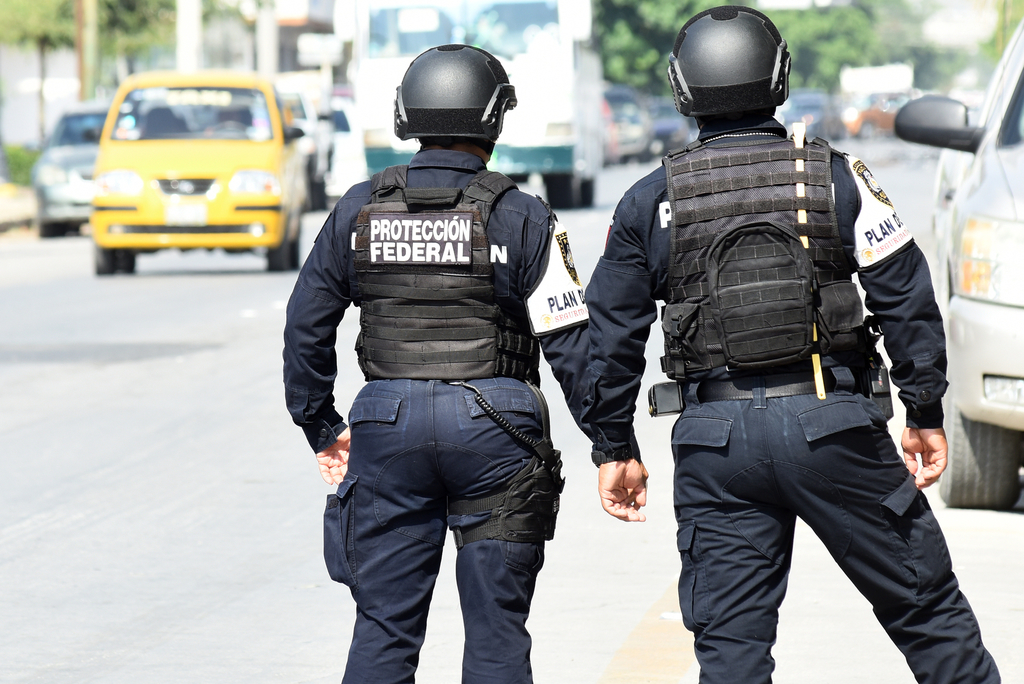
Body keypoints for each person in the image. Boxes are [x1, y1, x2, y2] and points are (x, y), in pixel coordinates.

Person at [583, 6, 1001, 684]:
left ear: (681, 88)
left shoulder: (647, 200)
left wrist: (613, 447)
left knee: (731, 654)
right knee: (928, 614)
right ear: (779, 77)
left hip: (714, 441)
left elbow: (610, 338)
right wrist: (924, 410)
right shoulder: (837, 176)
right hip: (833, 425)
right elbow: (906, 296)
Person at [283, 44, 591, 684]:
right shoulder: (522, 214)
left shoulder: (357, 209)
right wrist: (612, 442)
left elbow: (306, 324)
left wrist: (321, 425)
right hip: (496, 430)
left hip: (386, 426)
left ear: (406, 115)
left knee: (384, 629)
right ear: (495, 117)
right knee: (498, 631)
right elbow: (570, 342)